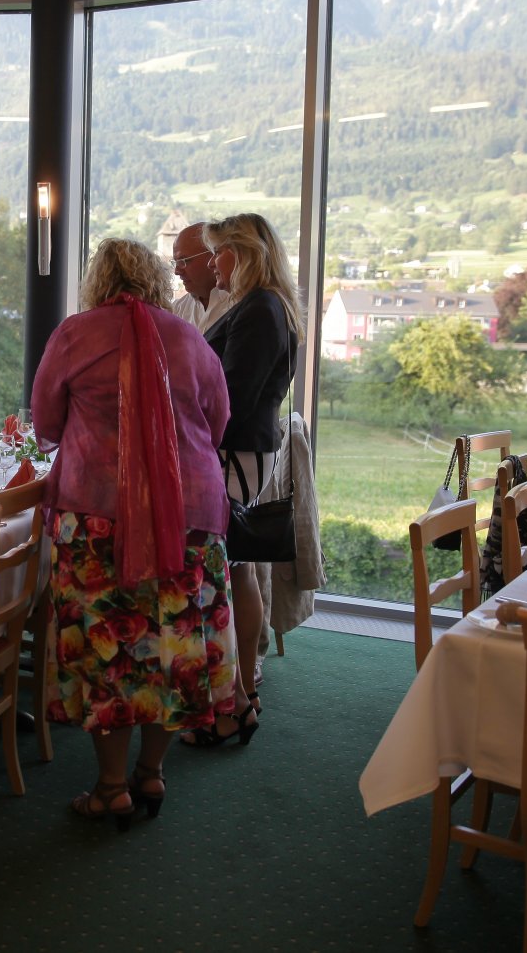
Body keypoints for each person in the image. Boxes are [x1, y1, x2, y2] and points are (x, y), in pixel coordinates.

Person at [32, 237, 236, 827]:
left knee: (110, 651)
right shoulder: (188, 337)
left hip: (98, 515)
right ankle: (151, 772)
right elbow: (218, 420)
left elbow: (46, 421)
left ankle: (111, 786)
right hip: (188, 512)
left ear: (97, 281)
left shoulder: (75, 334)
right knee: (172, 646)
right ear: (154, 280)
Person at [182, 212, 303, 748]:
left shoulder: (259, 309)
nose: (212, 263)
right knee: (238, 571)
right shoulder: (267, 305)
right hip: (245, 453)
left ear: (244, 252)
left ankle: (231, 704)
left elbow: (230, 398)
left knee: (224, 576)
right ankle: (241, 694)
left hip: (232, 454)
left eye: (218, 252)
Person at [169, 222, 229, 331]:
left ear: (213, 255)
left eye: (184, 261)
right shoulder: (177, 310)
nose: (177, 271)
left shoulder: (239, 304)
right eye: (176, 262)